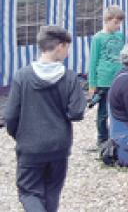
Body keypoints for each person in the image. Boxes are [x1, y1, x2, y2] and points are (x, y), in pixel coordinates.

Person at [4, 26, 86, 212]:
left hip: (30, 146)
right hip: (58, 146)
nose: (67, 52)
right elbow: (77, 112)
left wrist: (21, 135)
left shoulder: (22, 76)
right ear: (60, 46)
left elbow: (9, 116)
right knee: (52, 191)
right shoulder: (69, 77)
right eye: (67, 47)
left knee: (29, 192)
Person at [88, 5, 126, 147]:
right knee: (103, 111)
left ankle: (116, 136)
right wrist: (92, 84)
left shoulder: (120, 36)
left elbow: (124, 55)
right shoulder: (98, 38)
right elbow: (93, 61)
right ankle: (102, 139)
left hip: (119, 78)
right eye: (116, 23)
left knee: (118, 109)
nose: (118, 26)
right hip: (103, 80)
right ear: (107, 20)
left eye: (120, 23)